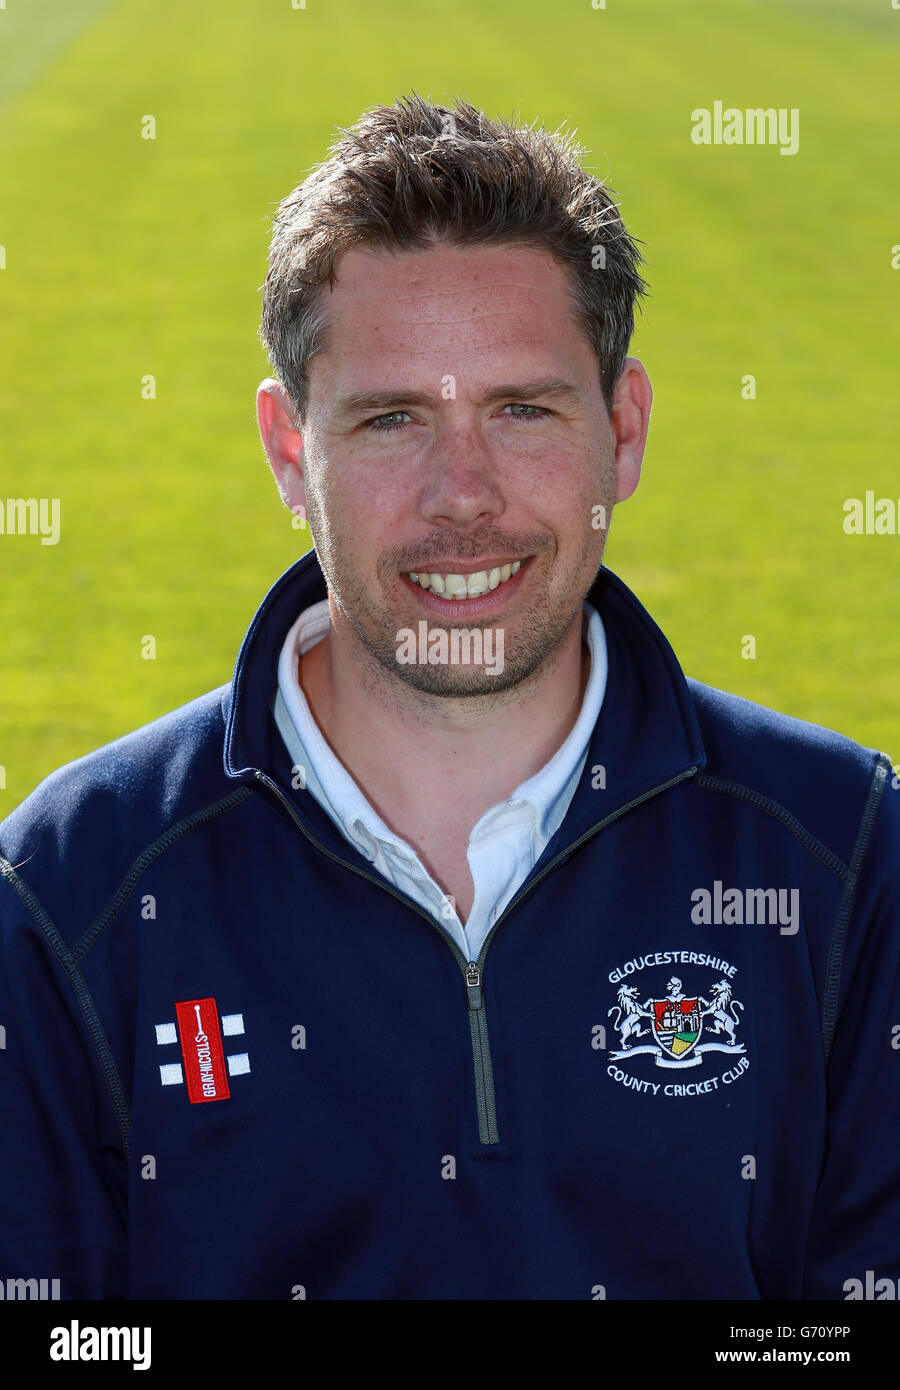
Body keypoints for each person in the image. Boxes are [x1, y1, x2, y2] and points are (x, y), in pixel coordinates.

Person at [1, 92, 898, 1302]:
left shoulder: (846, 854)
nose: (463, 495)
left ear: (622, 432)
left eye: (522, 409)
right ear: (288, 454)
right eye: (391, 420)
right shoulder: (71, 888)